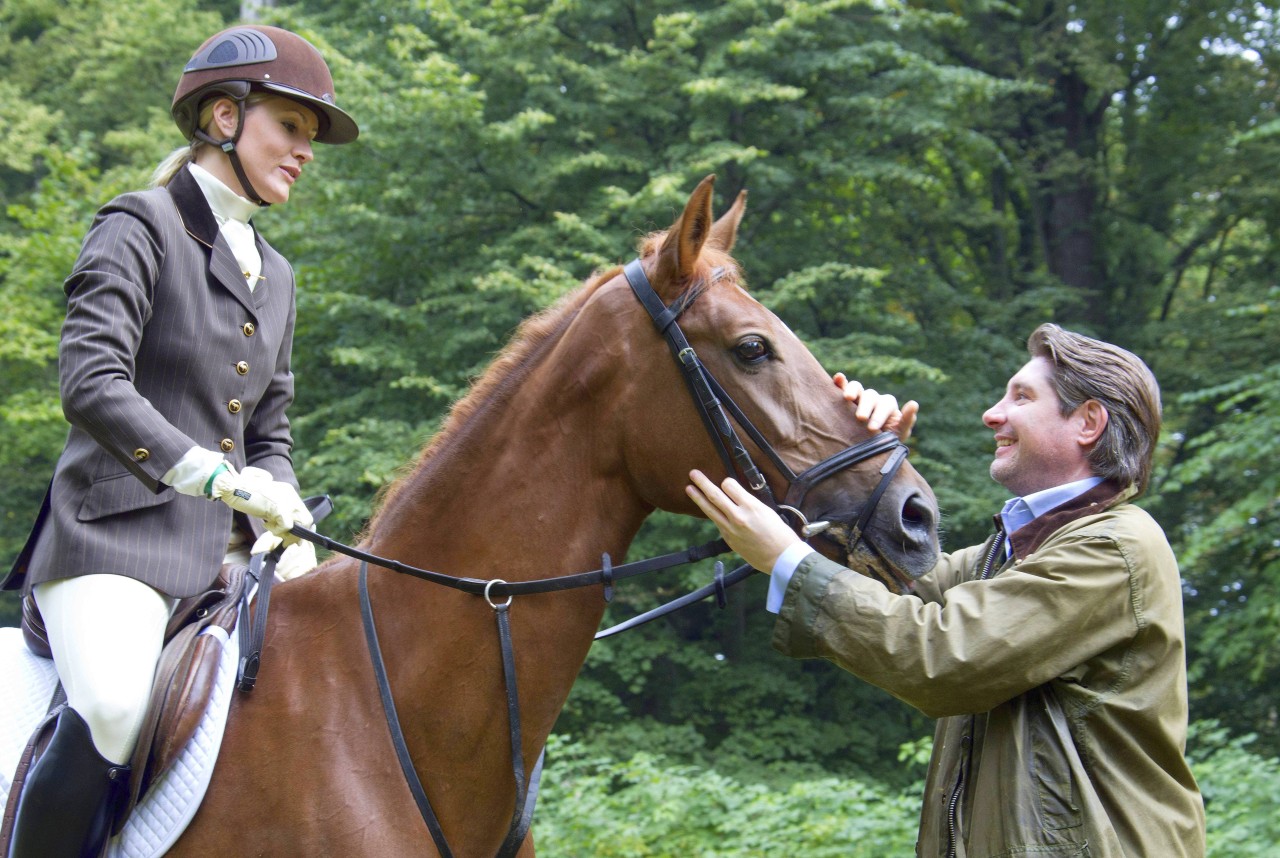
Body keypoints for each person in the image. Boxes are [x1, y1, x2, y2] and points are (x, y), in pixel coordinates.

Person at [1, 24, 358, 857]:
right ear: (224, 117)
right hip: (111, 540)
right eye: (291, 128)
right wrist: (213, 477)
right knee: (118, 707)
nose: (306, 151)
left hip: (224, 555)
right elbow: (91, 381)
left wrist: (283, 506)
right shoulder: (139, 225)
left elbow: (269, 428)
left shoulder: (278, 274)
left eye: (312, 138)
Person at [687, 324, 1207, 857]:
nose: (992, 414)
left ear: (1088, 422)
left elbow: (938, 656)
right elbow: (888, 590)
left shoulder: (1114, 548)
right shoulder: (1006, 554)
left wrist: (786, 559)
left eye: (1021, 397)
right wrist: (863, 456)